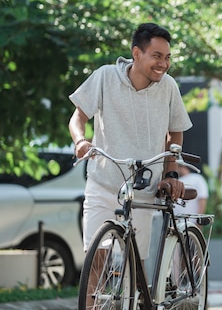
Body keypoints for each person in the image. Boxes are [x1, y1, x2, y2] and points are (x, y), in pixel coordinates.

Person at [68, 22, 193, 259]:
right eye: (157, 56)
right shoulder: (105, 76)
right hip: (102, 184)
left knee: (134, 265)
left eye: (167, 57)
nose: (163, 64)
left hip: (143, 190)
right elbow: (78, 118)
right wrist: (80, 141)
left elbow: (175, 131)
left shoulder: (168, 86)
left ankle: (134, 297)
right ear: (136, 53)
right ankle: (91, 299)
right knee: (95, 260)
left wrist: (171, 173)